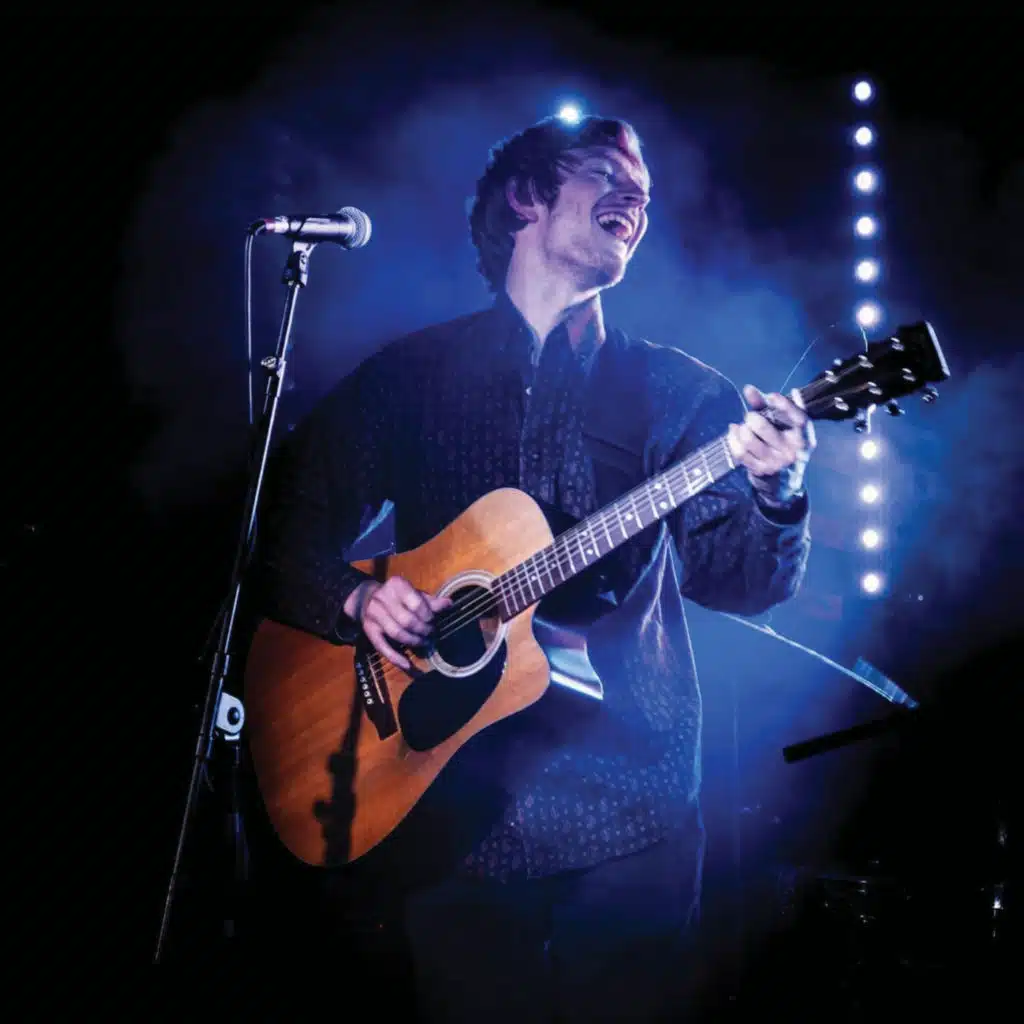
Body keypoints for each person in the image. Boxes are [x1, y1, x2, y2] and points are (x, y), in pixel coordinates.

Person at [254, 115, 814, 1021]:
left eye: (645, 192)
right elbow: (277, 529)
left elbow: (743, 583)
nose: (635, 197)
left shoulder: (677, 392)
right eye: (605, 173)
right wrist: (356, 599)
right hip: (444, 819)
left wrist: (777, 489)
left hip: (629, 817)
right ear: (526, 196)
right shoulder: (409, 379)